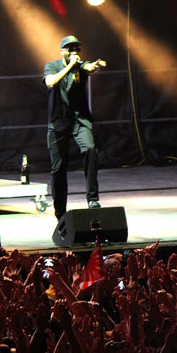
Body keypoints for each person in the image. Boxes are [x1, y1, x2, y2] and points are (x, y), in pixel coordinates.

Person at [43, 35, 106, 220]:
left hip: (80, 121)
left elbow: (89, 68)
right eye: (69, 49)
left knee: (90, 149)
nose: (74, 52)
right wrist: (70, 66)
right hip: (58, 123)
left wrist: (95, 66)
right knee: (58, 169)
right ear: (62, 51)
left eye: (76, 49)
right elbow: (51, 82)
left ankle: (92, 199)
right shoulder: (52, 66)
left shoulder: (81, 65)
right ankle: (60, 211)